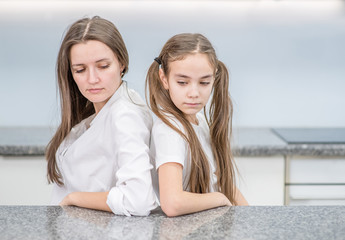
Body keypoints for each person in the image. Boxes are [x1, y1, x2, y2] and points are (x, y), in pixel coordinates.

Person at [46, 16, 157, 216]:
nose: (92, 79)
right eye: (80, 70)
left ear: (121, 63)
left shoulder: (125, 115)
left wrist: (74, 198)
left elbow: (138, 199)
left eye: (103, 66)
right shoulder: (100, 113)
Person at [146, 33, 248, 217]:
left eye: (204, 82)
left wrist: (250, 218)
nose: (194, 93)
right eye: (183, 82)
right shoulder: (169, 130)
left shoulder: (200, 122)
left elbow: (219, 181)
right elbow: (173, 203)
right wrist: (220, 199)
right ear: (164, 79)